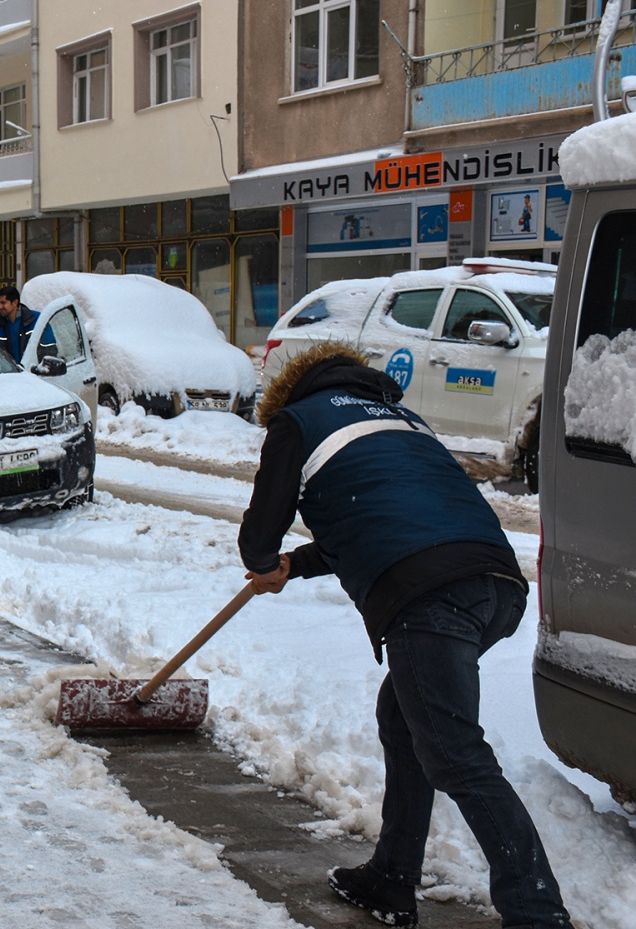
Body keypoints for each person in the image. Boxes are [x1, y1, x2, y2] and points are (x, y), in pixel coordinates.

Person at [238, 342, 570, 929]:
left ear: (287, 391)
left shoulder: (297, 420)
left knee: (456, 755)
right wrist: (299, 565)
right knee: (403, 718)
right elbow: (385, 516)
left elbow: (261, 531)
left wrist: (266, 559)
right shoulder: (401, 419)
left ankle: (537, 914)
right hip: (495, 586)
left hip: (429, 596)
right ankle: (392, 877)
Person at [0, 285, 53, 365]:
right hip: (10, 375)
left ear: (15, 302)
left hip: (34, 374)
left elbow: (50, 349)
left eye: (3, 303)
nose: (0, 307)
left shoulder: (37, 321)